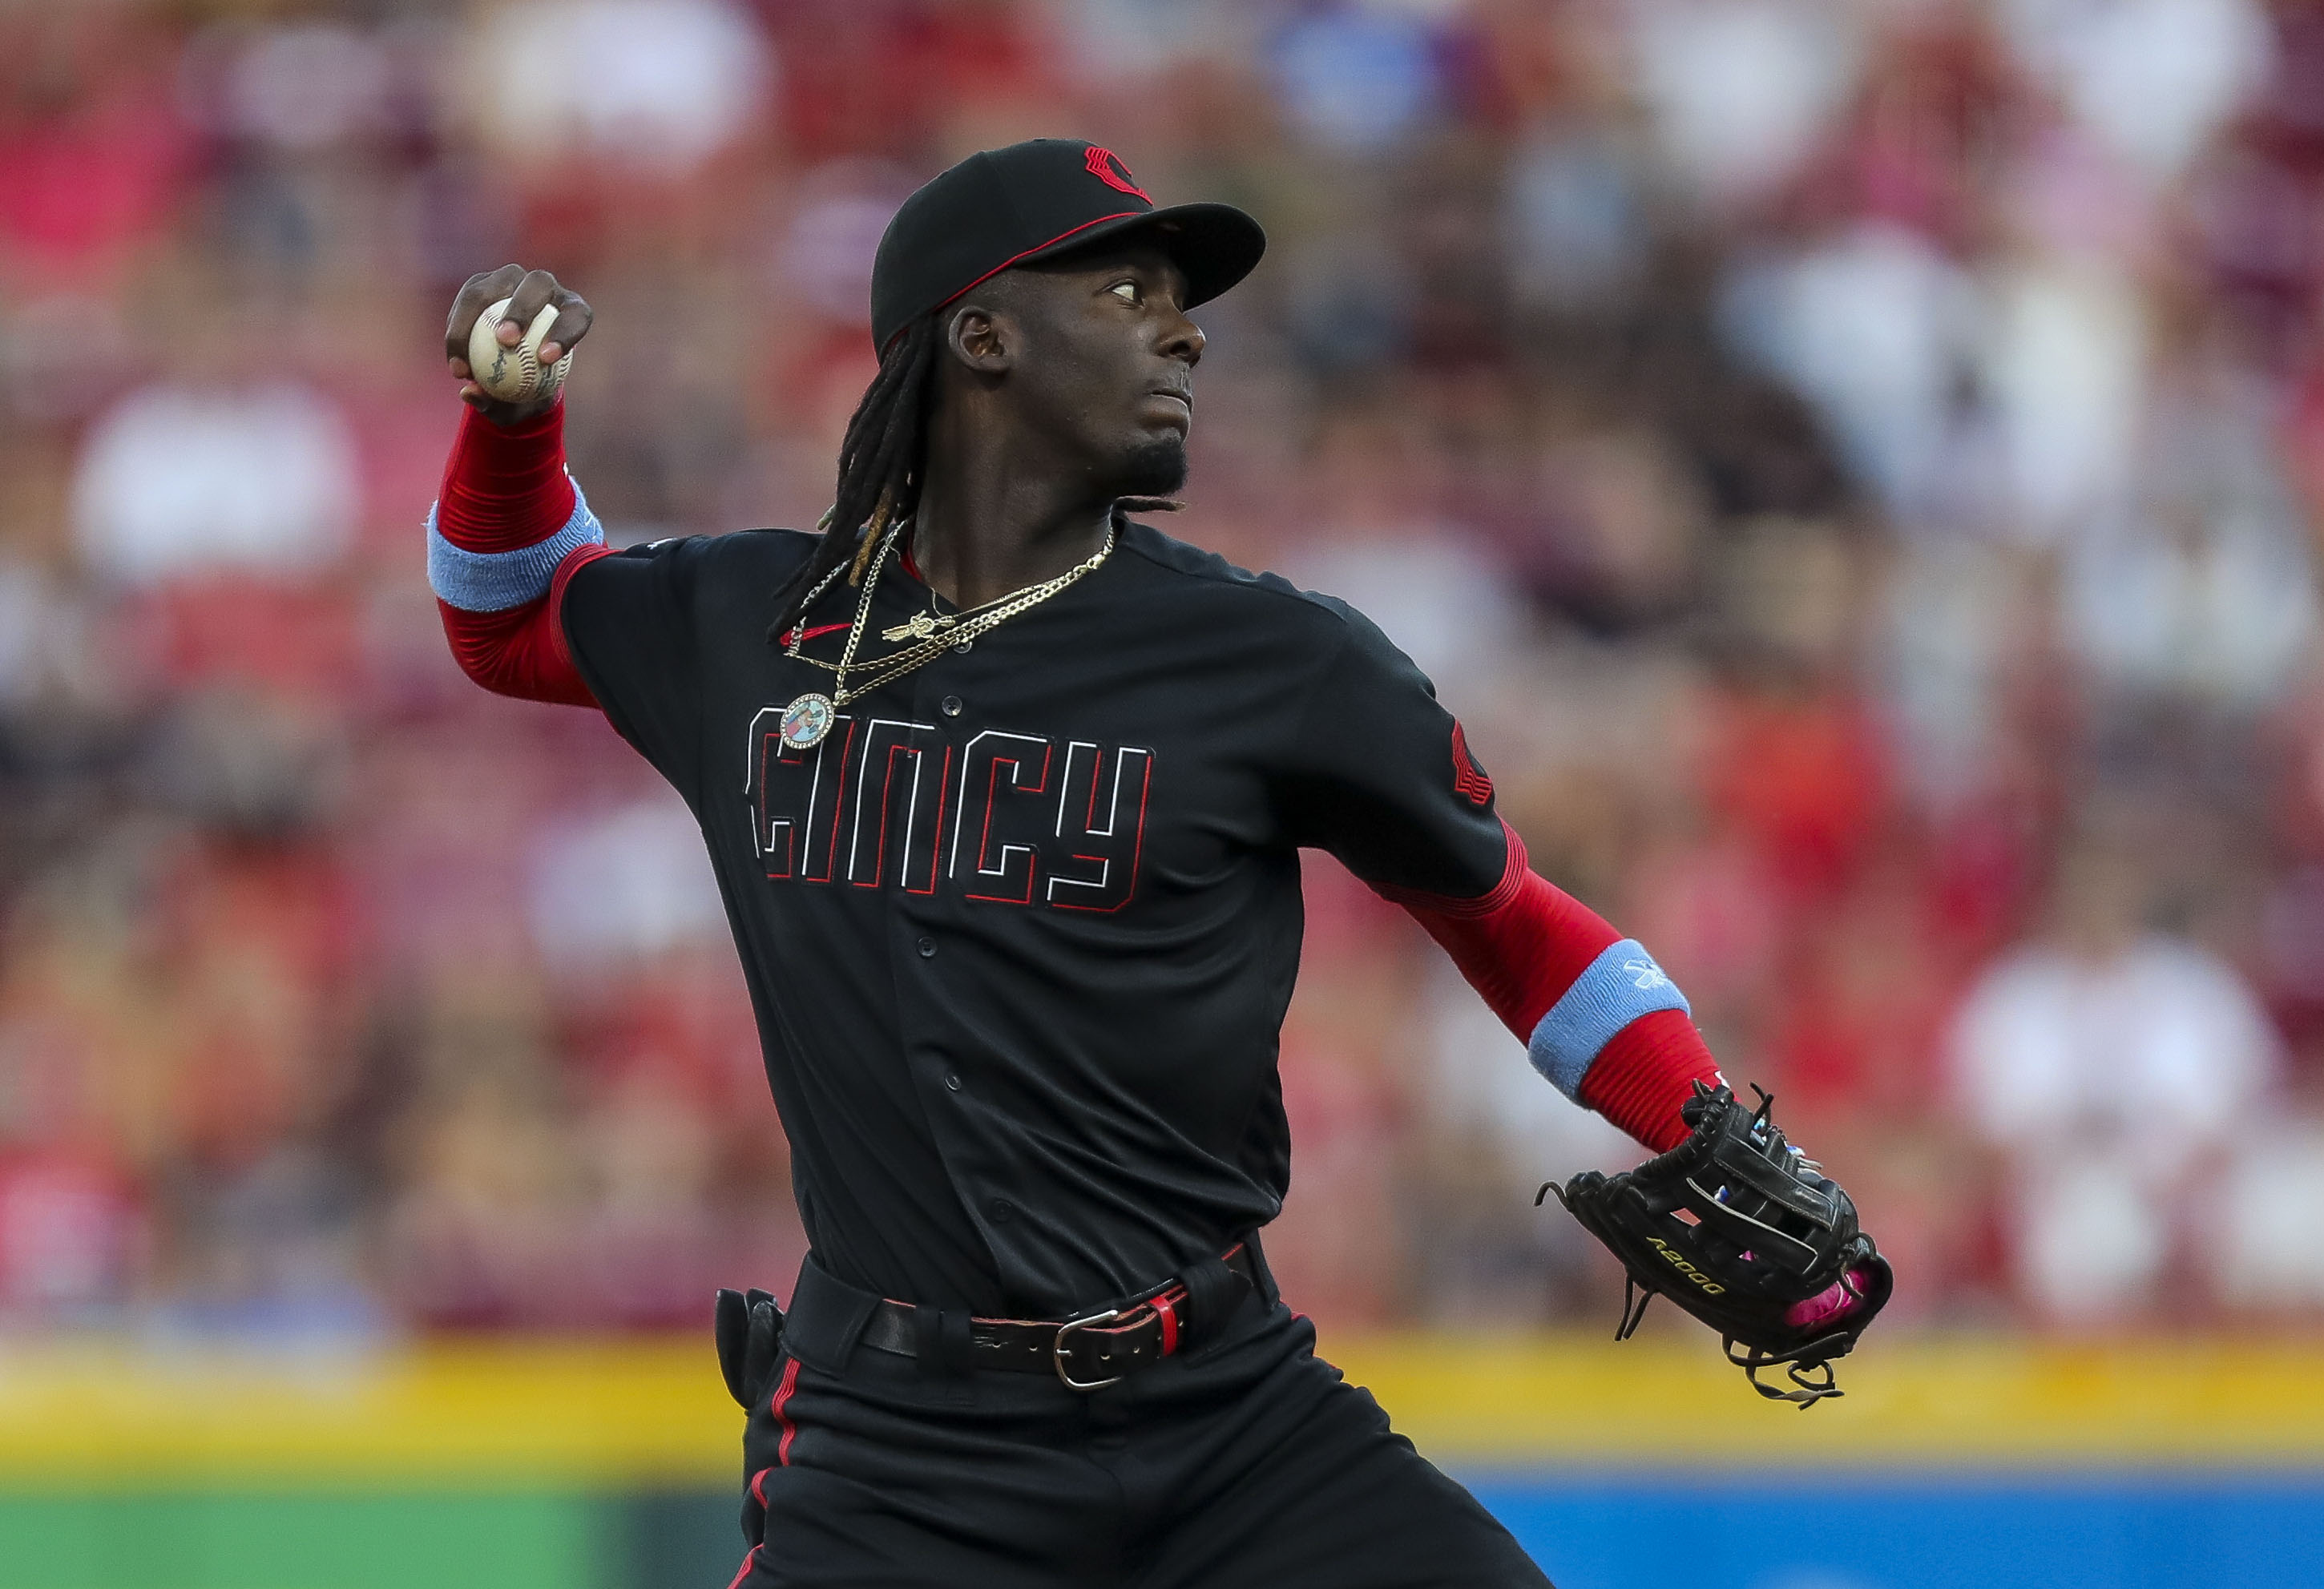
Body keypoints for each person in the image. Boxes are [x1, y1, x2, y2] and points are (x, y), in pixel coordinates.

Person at [426, 139, 1862, 1589]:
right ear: (982, 335)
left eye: (1184, 302)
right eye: (1127, 290)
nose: (1185, 328)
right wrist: (512, 423)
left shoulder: (1278, 662)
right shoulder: (754, 623)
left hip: (1228, 1415)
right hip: (899, 1451)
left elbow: (1508, 921)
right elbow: (511, 621)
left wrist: (1698, 1124)